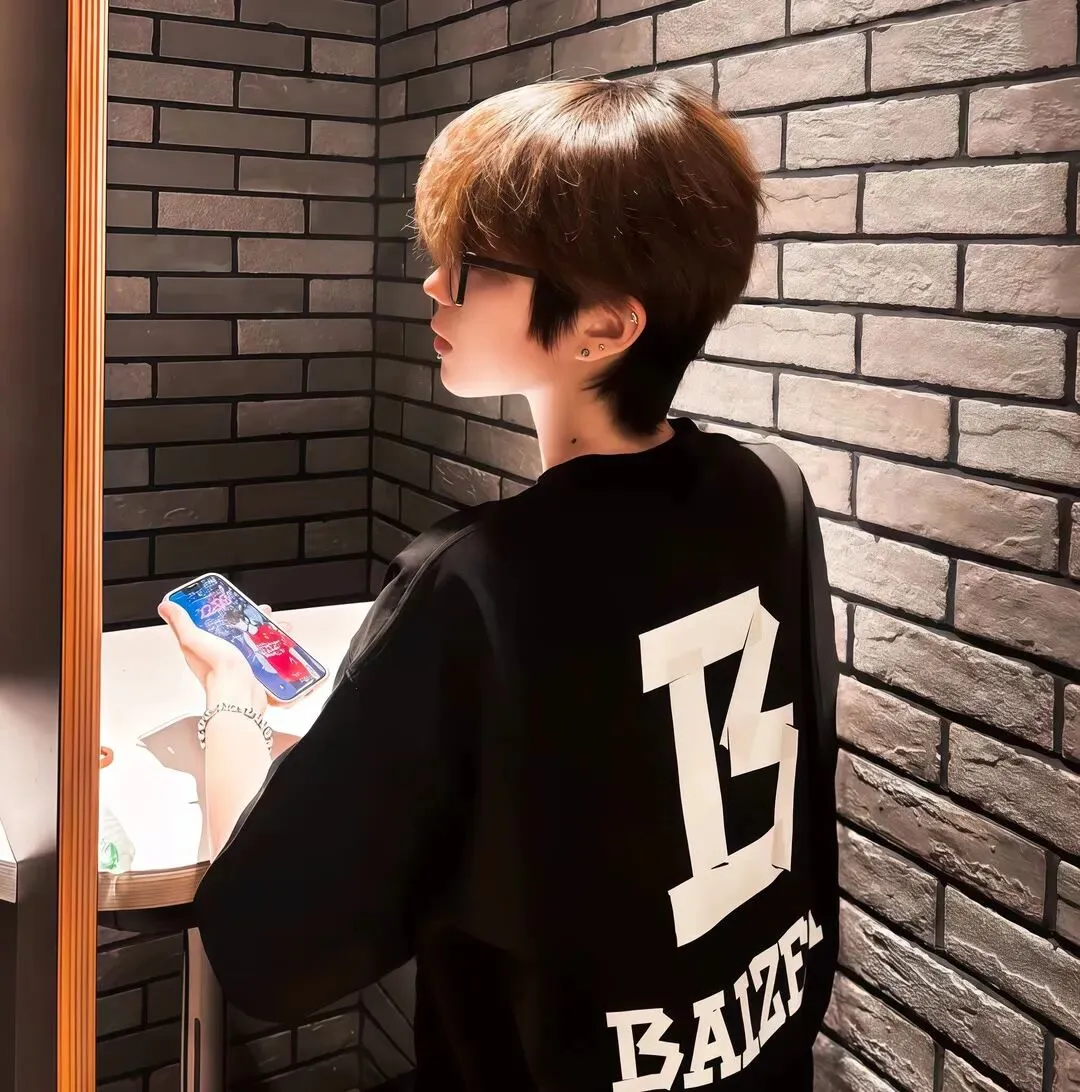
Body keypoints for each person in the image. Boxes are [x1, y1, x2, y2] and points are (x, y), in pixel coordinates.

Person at [158, 72, 840, 1092]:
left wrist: (231, 699)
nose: (434, 286)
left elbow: (261, 940)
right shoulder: (771, 488)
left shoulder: (474, 578)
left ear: (603, 325)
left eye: (470, 267)